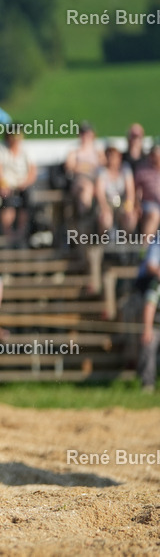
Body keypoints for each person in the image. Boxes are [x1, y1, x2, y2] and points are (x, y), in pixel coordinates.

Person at [0, 129, 36, 247]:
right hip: (6, 184)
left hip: (22, 184)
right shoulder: (1, 150)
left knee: (26, 201)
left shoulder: (26, 151)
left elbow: (32, 171)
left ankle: (21, 232)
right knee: (8, 201)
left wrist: (25, 183)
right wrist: (2, 184)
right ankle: (8, 233)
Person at [65, 121, 103, 220]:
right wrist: (89, 167)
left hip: (96, 181)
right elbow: (70, 167)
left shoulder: (98, 151)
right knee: (86, 188)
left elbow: (104, 166)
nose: (85, 136)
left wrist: (82, 166)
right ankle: (85, 218)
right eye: (82, 133)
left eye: (87, 133)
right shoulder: (74, 150)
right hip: (79, 181)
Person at [96, 145, 137, 236]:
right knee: (105, 219)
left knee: (130, 219)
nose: (112, 159)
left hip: (122, 202)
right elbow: (100, 193)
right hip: (107, 202)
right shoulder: (102, 171)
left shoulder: (125, 169)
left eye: (114, 156)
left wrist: (129, 207)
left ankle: (126, 240)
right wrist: (104, 208)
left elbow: (130, 191)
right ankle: (103, 240)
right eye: (109, 156)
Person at [138, 239, 160, 392]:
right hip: (156, 326)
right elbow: (149, 307)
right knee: (149, 343)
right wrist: (147, 329)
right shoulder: (156, 286)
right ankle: (148, 384)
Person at [135, 145, 160, 239]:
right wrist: (137, 205)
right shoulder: (142, 169)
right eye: (154, 155)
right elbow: (136, 190)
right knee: (154, 214)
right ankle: (145, 244)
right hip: (148, 203)